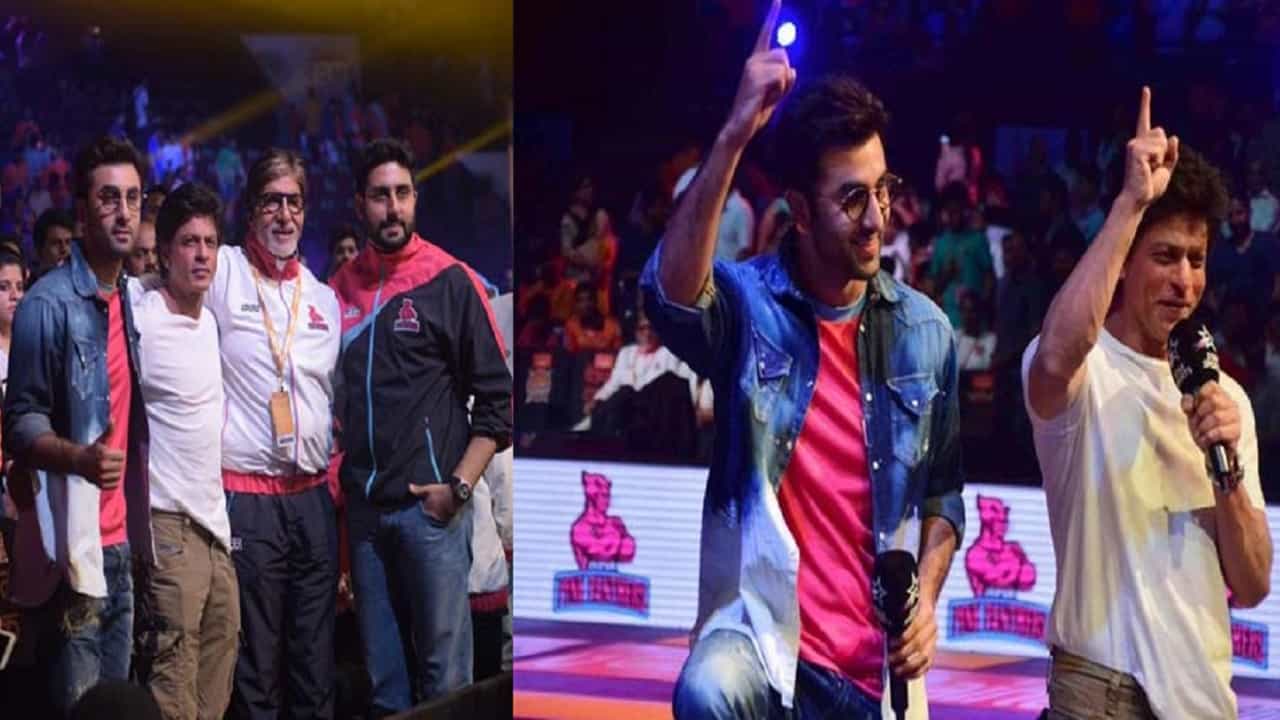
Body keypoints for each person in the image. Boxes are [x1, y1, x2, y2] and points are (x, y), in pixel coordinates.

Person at [641, 3, 963, 717]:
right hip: (762, 643)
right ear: (800, 210)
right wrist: (734, 134)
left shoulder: (927, 333)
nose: (876, 218)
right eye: (852, 199)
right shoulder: (746, 304)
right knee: (707, 691)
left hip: (876, 672)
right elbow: (668, 296)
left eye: (882, 191)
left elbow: (944, 497)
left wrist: (926, 603)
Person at [1023, 88, 1273, 719]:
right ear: (1125, 259)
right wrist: (1131, 203)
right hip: (1099, 692)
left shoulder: (1225, 399)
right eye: (1165, 257)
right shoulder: (1084, 369)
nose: (1184, 281)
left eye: (1197, 260)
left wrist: (1226, 469)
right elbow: (1052, 360)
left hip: (1203, 698)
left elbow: (1251, 584)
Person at [330, 138, 512, 714]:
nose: (393, 208)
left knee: (445, 687)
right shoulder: (337, 289)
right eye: (380, 196)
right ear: (360, 204)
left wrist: (456, 488)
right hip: (365, 518)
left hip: (430, 514)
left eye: (402, 193)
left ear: (415, 198)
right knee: (384, 688)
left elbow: (499, 402)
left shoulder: (451, 280)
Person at [3, 136, 155, 713]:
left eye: (133, 198)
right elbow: (20, 424)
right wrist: (79, 459)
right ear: (84, 210)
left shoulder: (129, 297)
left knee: (114, 708)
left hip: (120, 544)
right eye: (109, 198)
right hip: (72, 550)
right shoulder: (46, 304)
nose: (124, 212)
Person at [205, 149, 341, 720]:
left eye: (294, 203)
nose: (284, 215)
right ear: (250, 209)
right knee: (256, 666)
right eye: (271, 202)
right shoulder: (223, 271)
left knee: (315, 663)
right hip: (249, 497)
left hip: (312, 500)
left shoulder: (323, 298)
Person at [128, 183, 239, 720]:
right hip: (167, 522)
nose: (201, 255)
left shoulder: (211, 319)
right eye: (189, 242)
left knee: (220, 670)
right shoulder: (139, 312)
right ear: (165, 250)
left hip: (217, 527)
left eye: (210, 243)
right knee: (172, 680)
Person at [31, 207, 74, 280]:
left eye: (68, 242)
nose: (64, 249)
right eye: (56, 243)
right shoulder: (31, 285)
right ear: (39, 248)